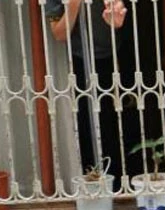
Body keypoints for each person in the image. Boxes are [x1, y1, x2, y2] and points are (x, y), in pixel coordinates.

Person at [45, 0, 138, 190]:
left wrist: (118, 12)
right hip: (80, 60)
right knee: (88, 124)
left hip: (121, 51)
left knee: (124, 119)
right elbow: (59, 34)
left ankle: (126, 184)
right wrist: (73, 6)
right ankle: (98, 186)